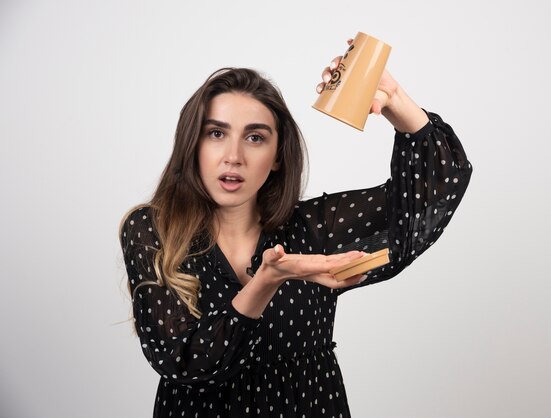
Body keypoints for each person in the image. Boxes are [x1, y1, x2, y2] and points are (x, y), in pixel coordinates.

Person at [119, 42, 473, 417]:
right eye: (216, 134)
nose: (234, 156)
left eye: (255, 137)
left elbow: (437, 190)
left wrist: (394, 98)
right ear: (192, 144)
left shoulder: (314, 229)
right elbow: (185, 363)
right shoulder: (152, 230)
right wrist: (266, 280)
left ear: (276, 156)